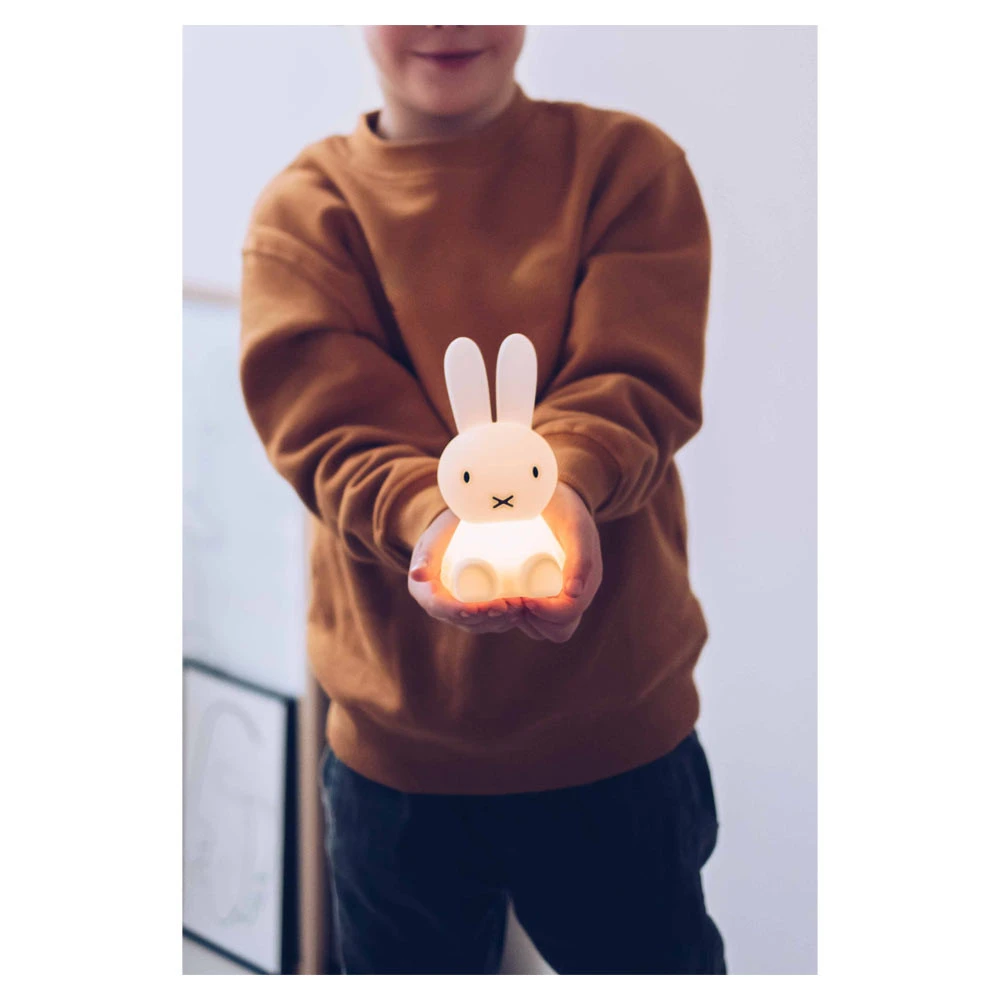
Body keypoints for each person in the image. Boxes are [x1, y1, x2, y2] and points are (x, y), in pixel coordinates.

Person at [239, 25, 725, 974]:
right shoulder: (307, 214)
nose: (449, 19)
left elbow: (634, 380)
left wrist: (564, 486)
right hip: (395, 760)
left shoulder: (627, 170)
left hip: (615, 737)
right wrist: (433, 519)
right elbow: (331, 429)